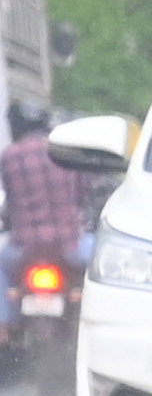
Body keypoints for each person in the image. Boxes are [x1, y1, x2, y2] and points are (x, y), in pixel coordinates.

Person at [1, 98, 94, 290]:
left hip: (24, 248)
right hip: (69, 245)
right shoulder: (65, 151)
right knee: (100, 266)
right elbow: (80, 196)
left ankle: (4, 318)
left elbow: (10, 202)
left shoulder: (8, 157)